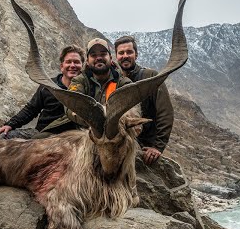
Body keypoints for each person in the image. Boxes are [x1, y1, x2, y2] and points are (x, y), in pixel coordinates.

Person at [0, 45, 84, 141]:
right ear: (62, 66)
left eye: (77, 62)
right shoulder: (48, 86)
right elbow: (31, 109)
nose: (73, 65)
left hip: (71, 138)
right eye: (68, 62)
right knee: (4, 137)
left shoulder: (87, 89)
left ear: (82, 66)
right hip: (42, 132)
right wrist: (10, 124)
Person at [114, 35, 174, 165]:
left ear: (136, 55)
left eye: (129, 52)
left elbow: (165, 112)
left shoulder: (150, 76)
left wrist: (157, 147)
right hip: (121, 148)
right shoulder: (114, 80)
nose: (125, 56)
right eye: (121, 53)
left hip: (144, 150)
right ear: (116, 56)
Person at [66, 37, 132, 125]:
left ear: (111, 58)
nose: (98, 58)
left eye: (103, 54)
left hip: (115, 132)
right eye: (93, 55)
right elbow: (71, 105)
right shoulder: (79, 81)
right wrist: (94, 121)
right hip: (86, 131)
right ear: (87, 61)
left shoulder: (124, 83)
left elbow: (132, 111)